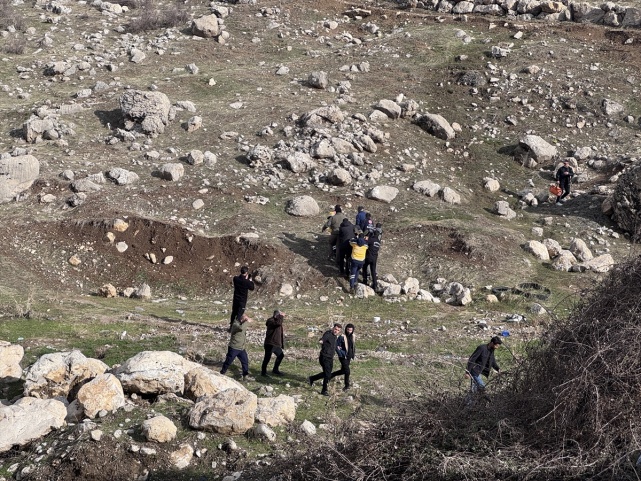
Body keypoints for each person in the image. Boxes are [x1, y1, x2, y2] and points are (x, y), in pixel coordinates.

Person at [309, 323, 342, 396]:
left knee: (327, 374)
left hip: (330, 358)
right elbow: (323, 338)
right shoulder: (328, 334)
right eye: (335, 329)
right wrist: (321, 341)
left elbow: (333, 346)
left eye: (338, 330)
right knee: (327, 374)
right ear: (333, 328)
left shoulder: (335, 337)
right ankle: (324, 390)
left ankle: (312, 378)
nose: (336, 331)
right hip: (324, 357)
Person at [220, 314, 254, 381]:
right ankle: (222, 373)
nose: (246, 321)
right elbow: (241, 328)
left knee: (245, 361)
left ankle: (245, 375)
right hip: (234, 348)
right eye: (245, 319)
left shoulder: (242, 324)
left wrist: (246, 321)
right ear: (242, 319)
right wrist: (247, 321)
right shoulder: (235, 324)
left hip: (241, 348)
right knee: (228, 361)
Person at [330, 323, 355, 391]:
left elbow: (352, 346)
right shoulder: (342, 337)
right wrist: (340, 353)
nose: (349, 331)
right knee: (347, 371)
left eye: (350, 330)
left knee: (343, 371)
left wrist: (352, 354)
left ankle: (330, 376)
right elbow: (336, 345)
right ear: (346, 329)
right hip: (343, 357)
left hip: (348, 356)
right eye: (348, 330)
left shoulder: (353, 336)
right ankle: (346, 386)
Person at [261, 310, 285, 377]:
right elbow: (278, 323)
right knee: (267, 358)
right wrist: (281, 316)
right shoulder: (271, 321)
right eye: (279, 315)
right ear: (277, 315)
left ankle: (275, 369)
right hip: (270, 344)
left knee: (280, 355)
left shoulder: (277, 321)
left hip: (275, 344)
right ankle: (263, 372)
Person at [230, 266, 254, 331]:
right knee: (239, 314)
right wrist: (250, 280)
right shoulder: (246, 282)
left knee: (234, 313)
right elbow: (252, 287)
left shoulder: (235, 279)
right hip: (242, 301)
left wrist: (246, 279)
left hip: (236, 299)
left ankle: (231, 327)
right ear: (246, 273)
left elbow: (239, 279)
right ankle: (236, 327)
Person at [362, 223, 382, 289]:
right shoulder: (378, 242)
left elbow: (365, 241)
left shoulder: (372, 239)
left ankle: (365, 280)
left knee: (364, 267)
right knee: (373, 271)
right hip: (374, 258)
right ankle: (375, 285)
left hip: (368, 257)